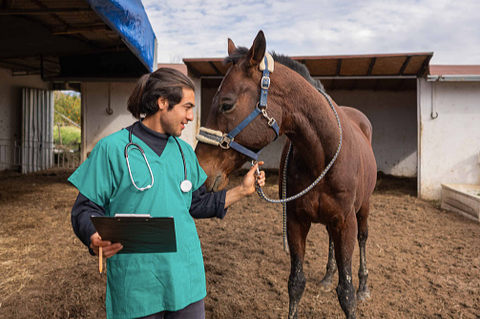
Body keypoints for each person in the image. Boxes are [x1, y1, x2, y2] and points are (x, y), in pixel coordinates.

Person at [69, 67, 265, 319]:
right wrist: (93, 236)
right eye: (187, 107)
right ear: (162, 103)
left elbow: (197, 204)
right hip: (137, 286)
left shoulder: (185, 153)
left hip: (186, 281)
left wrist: (242, 190)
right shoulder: (112, 149)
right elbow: (84, 209)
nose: (191, 116)